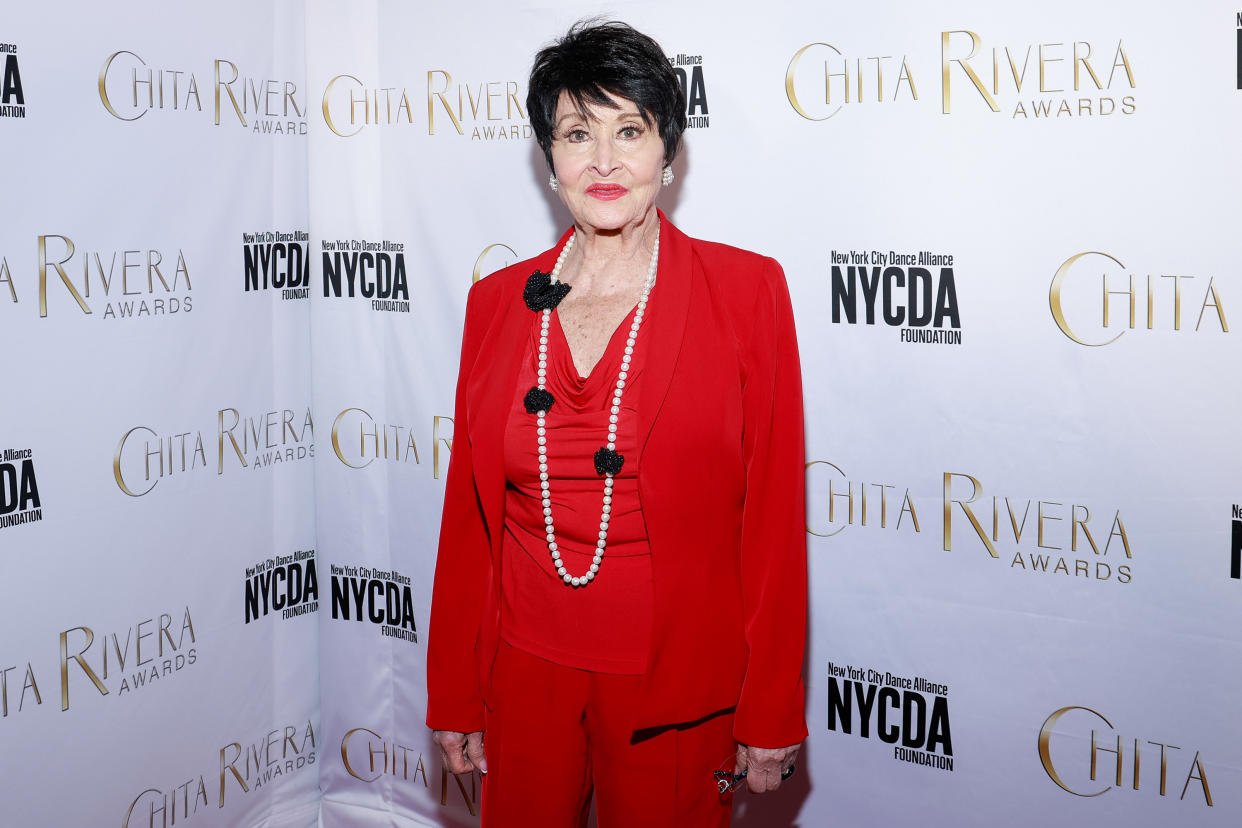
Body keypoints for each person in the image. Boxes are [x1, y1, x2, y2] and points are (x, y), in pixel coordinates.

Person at [426, 19, 807, 828]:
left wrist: (770, 711)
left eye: (629, 129)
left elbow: (773, 521)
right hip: (522, 678)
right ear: (549, 157)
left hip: (678, 691)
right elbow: (469, 518)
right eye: (576, 132)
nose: (603, 159)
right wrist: (454, 690)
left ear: (668, 153)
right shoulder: (496, 303)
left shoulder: (748, 293)